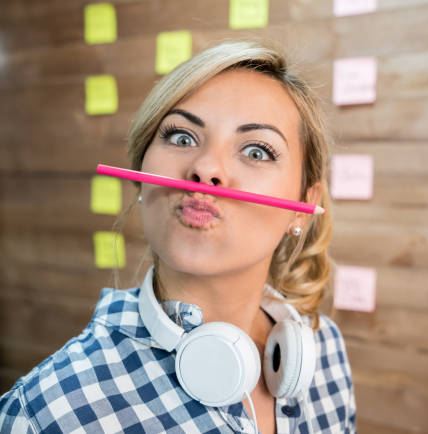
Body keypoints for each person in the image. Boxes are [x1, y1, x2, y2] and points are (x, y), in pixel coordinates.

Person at [0, 40, 356, 433]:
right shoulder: (47, 412)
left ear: (302, 207)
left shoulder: (326, 349)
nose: (205, 169)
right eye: (182, 138)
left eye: (256, 151)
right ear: (141, 170)